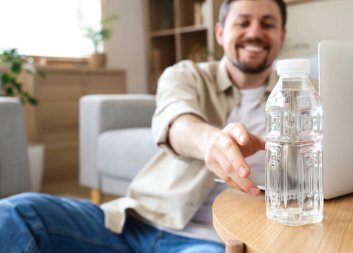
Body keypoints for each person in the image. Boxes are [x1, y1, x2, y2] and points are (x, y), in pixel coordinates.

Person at [0, 0, 287, 252]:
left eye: (267, 24)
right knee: (16, 213)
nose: (254, 32)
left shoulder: (301, 102)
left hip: (208, 242)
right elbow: (176, 120)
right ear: (220, 33)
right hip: (132, 224)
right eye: (243, 22)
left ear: (282, 35)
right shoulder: (185, 75)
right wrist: (210, 141)